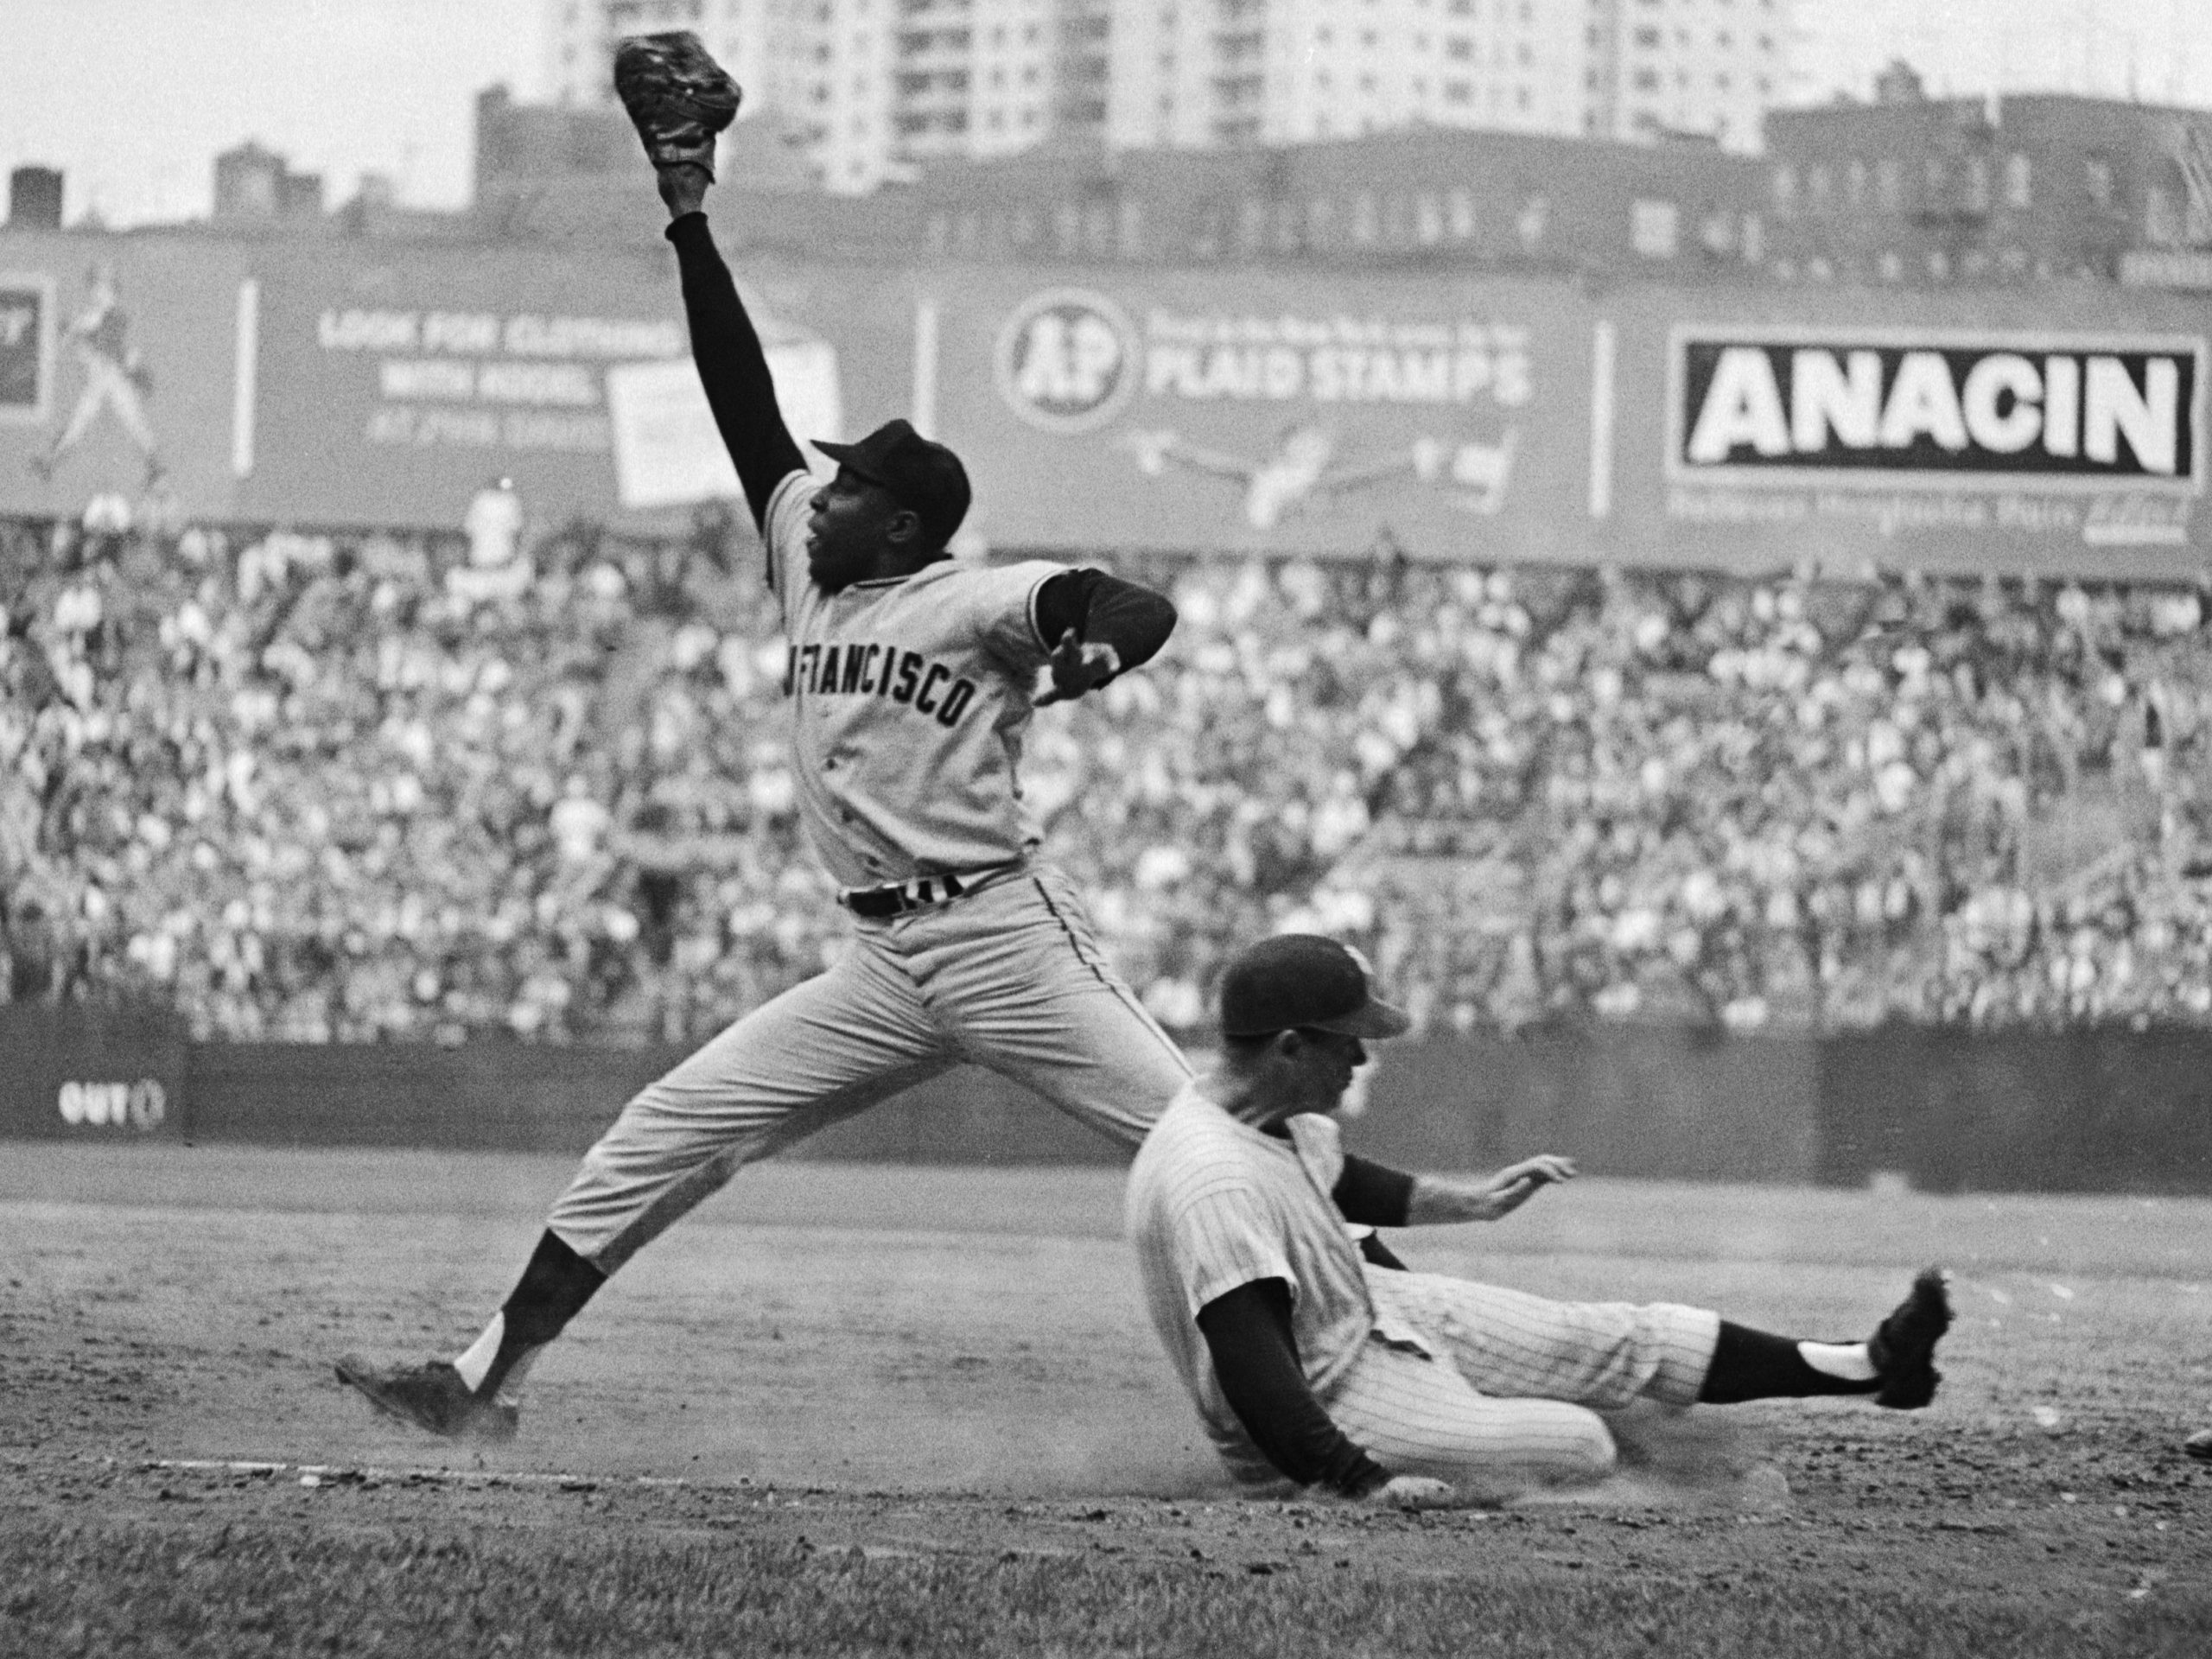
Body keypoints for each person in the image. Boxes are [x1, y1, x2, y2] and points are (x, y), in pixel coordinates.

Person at [334, 37, 1194, 1441]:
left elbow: (1124, 600)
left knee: (1201, 1154)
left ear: (904, 524)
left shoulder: (966, 599)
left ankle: (1394, 1336)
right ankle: (479, 1387)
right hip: (884, 959)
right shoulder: (815, 561)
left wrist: (1097, 649)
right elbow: (737, 388)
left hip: (1003, 939)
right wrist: (688, 216)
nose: (821, 485)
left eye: (849, 481)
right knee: (667, 1130)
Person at [1126, 933, 1955, 1509]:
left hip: (1363, 1318)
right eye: (1348, 1040)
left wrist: (1474, 1202)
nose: (1363, 1057)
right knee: (1577, 1445)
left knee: (1614, 1335)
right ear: (1289, 1048)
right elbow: (1253, 1367)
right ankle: (1627, 1469)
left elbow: (1346, 1184)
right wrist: (1355, 1481)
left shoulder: (1268, 1113)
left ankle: (1871, 1366)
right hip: (1321, 1405)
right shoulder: (1212, 1181)